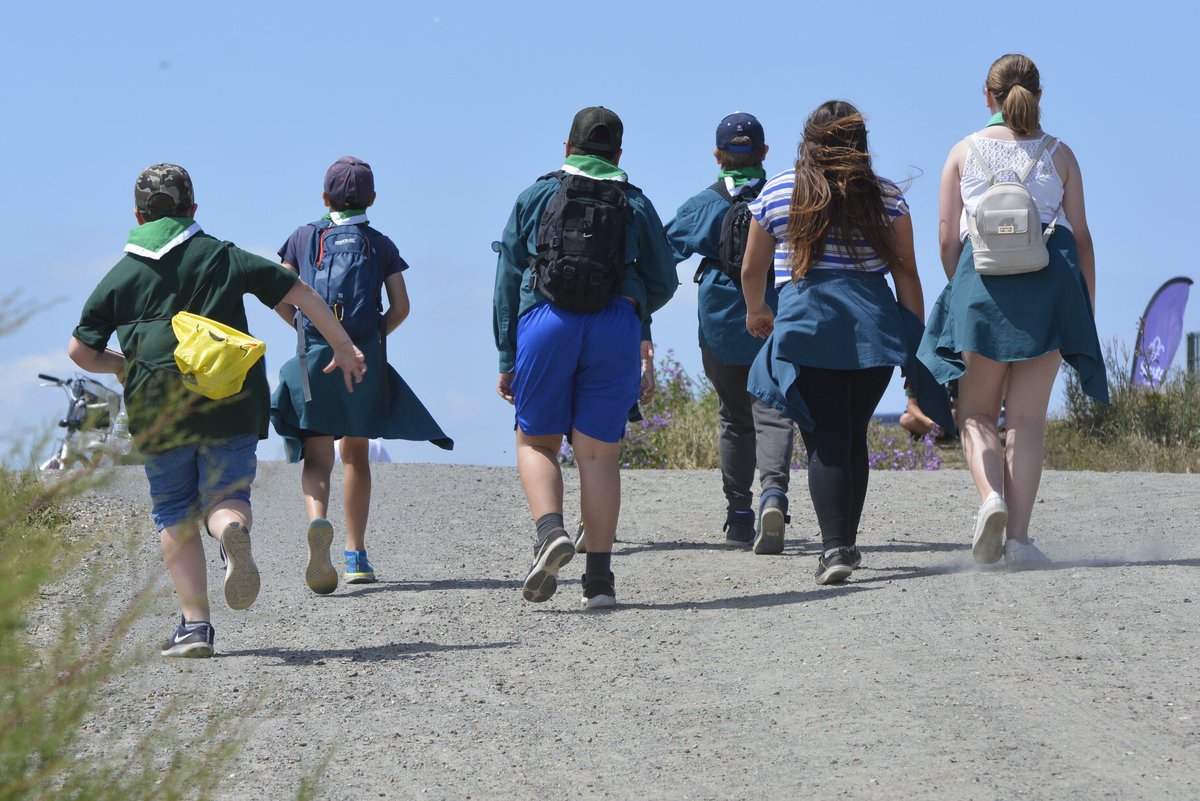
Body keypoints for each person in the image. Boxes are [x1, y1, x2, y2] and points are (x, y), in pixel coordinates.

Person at [68, 163, 366, 658]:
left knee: (173, 512)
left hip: (158, 409)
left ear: (138, 215)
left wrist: (124, 366)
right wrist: (342, 346)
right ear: (193, 210)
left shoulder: (121, 275)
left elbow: (80, 351)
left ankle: (195, 628)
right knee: (226, 496)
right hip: (229, 400)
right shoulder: (223, 256)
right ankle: (230, 531)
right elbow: (302, 294)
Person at [918, 54, 1107, 570]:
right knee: (1026, 420)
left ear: (988, 98)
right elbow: (1082, 238)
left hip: (982, 288)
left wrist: (963, 292)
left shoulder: (963, 151)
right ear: (1038, 97)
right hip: (1048, 293)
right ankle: (1019, 540)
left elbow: (944, 236)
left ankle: (990, 502)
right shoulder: (1060, 154)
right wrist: (1083, 304)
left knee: (975, 413)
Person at [493, 106, 677, 608]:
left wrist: (507, 354)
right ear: (618, 154)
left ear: (568, 148)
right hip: (615, 323)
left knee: (537, 442)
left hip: (545, 322)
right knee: (598, 455)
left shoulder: (537, 195)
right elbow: (665, 280)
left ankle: (550, 531)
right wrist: (631, 303)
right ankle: (599, 582)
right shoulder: (634, 203)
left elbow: (508, 279)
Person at [742, 100, 931, 585]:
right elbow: (907, 274)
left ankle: (835, 549)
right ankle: (843, 543)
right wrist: (915, 340)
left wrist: (757, 310)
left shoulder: (782, 190)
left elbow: (751, 268)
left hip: (809, 326)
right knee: (850, 435)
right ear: (860, 146)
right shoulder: (885, 197)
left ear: (808, 142)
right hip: (873, 330)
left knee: (825, 438)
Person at [271, 156, 453, 595]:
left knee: (318, 457)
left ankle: (319, 523)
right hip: (363, 361)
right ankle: (355, 554)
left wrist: (310, 333)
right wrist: (368, 340)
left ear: (323, 196)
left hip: (314, 358)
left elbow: (278, 295)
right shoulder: (381, 244)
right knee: (355, 455)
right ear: (372, 199)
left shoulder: (302, 237)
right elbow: (402, 308)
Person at [664, 112, 796, 553]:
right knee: (775, 409)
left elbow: (662, 255)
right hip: (778, 317)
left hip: (721, 323)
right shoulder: (785, 198)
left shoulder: (702, 205)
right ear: (763, 153)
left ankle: (739, 518)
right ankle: (773, 495)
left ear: (719, 156)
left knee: (734, 416)